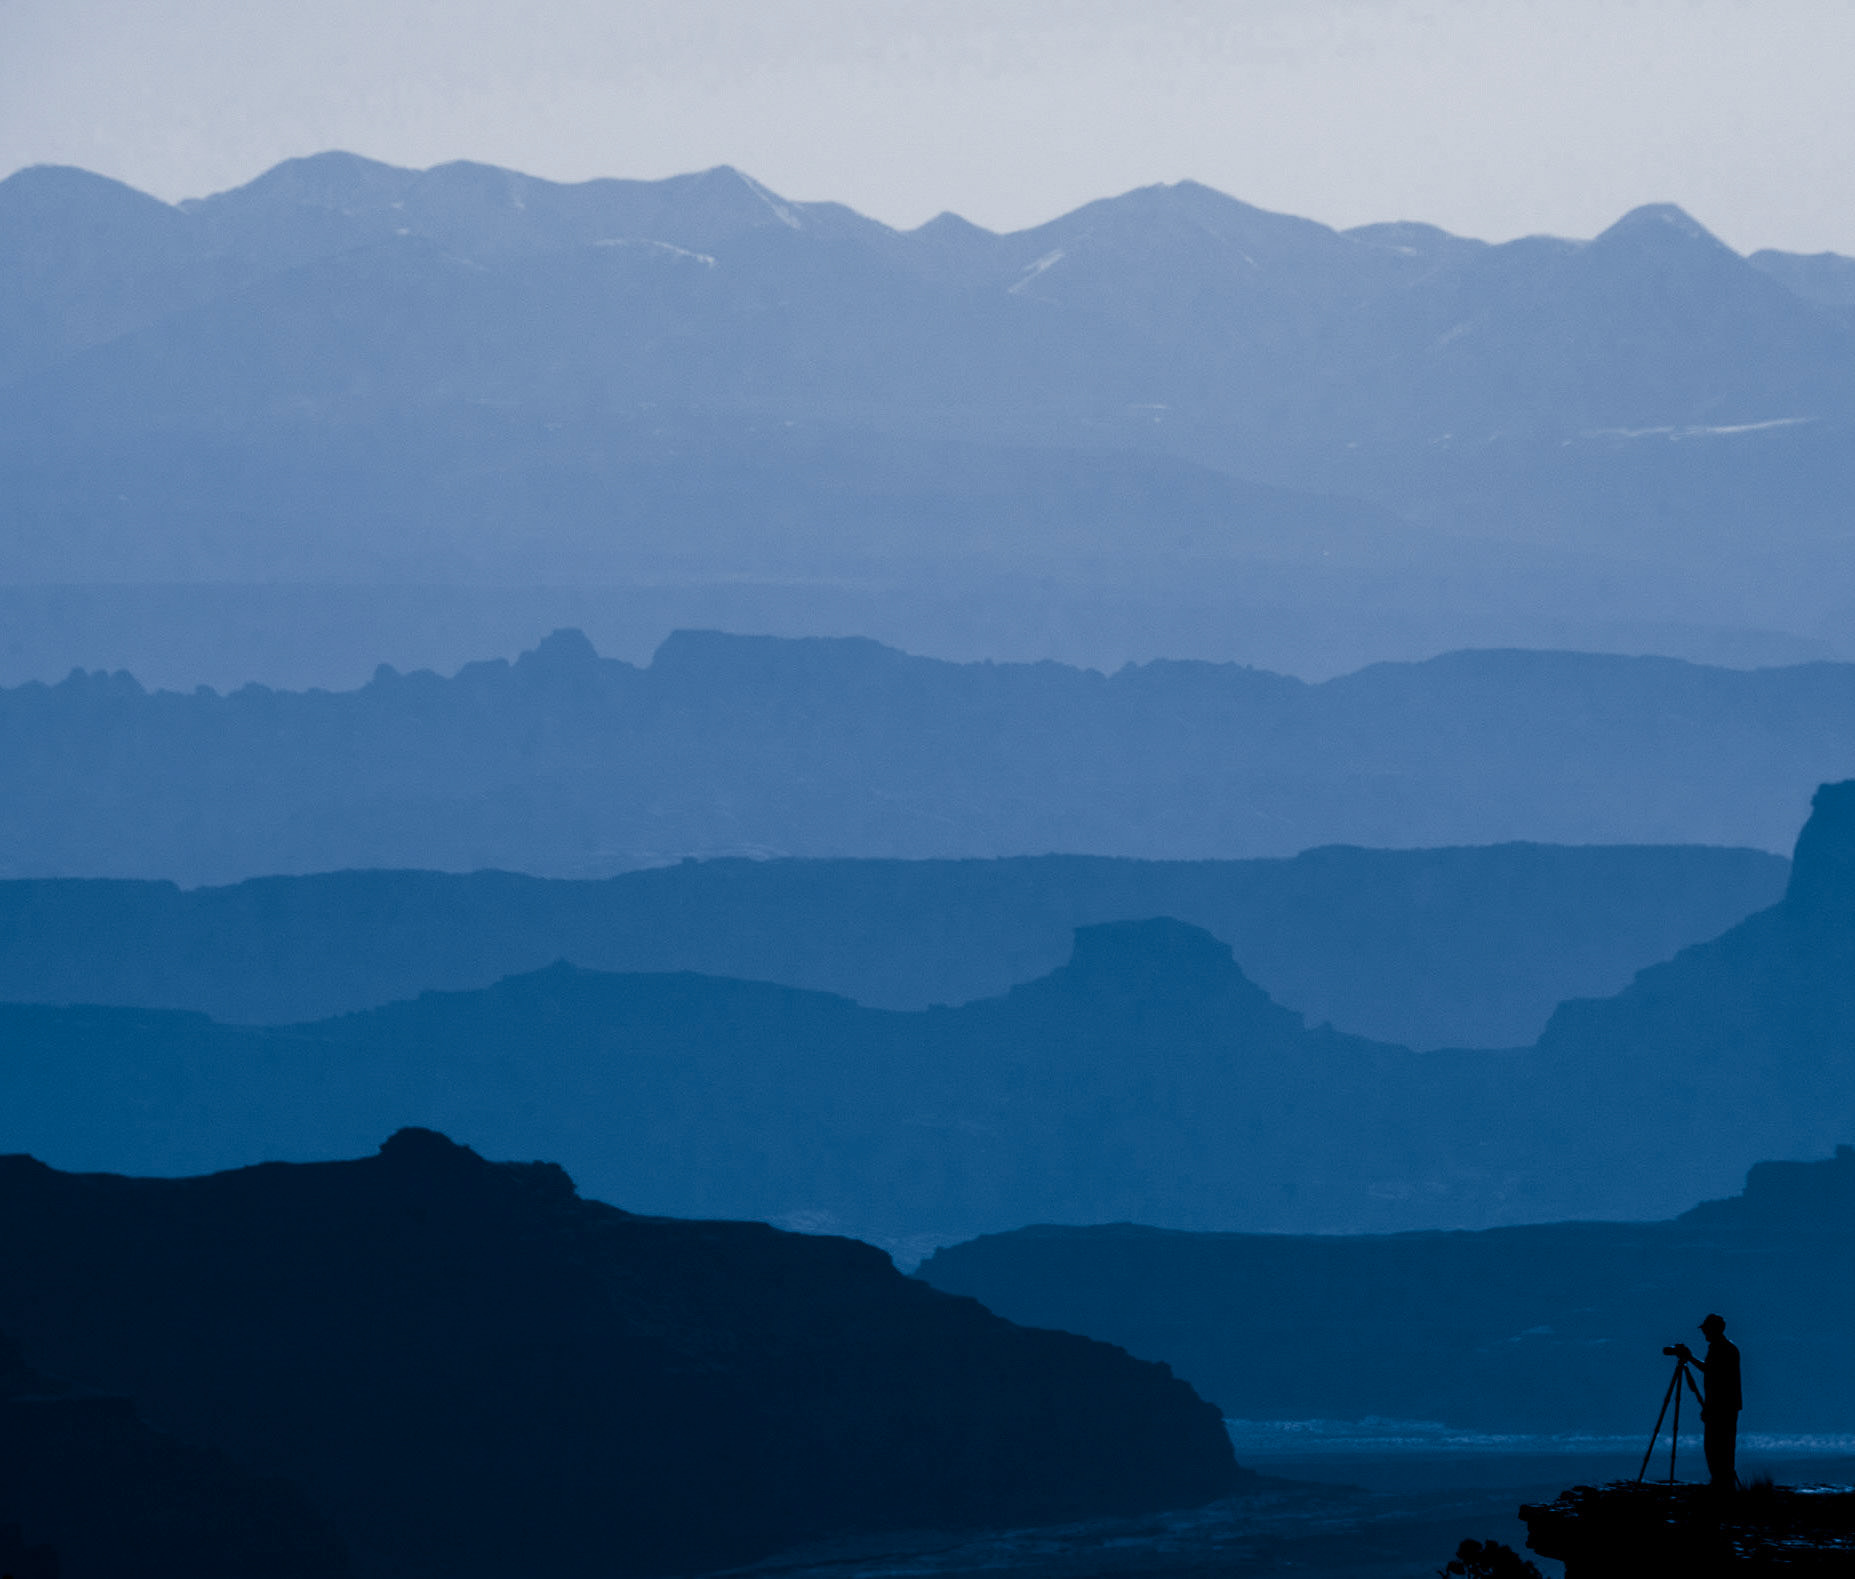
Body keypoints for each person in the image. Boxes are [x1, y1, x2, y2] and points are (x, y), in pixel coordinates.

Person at [1674, 1313, 1741, 1490]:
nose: (1704, 1333)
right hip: (1726, 1407)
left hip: (1720, 1408)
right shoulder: (1727, 1348)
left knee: (1715, 1449)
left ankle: (1722, 1485)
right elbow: (1711, 1371)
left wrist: (1689, 1357)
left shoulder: (1722, 1349)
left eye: (1706, 1329)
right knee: (1723, 1449)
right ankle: (1723, 1484)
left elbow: (1712, 1374)